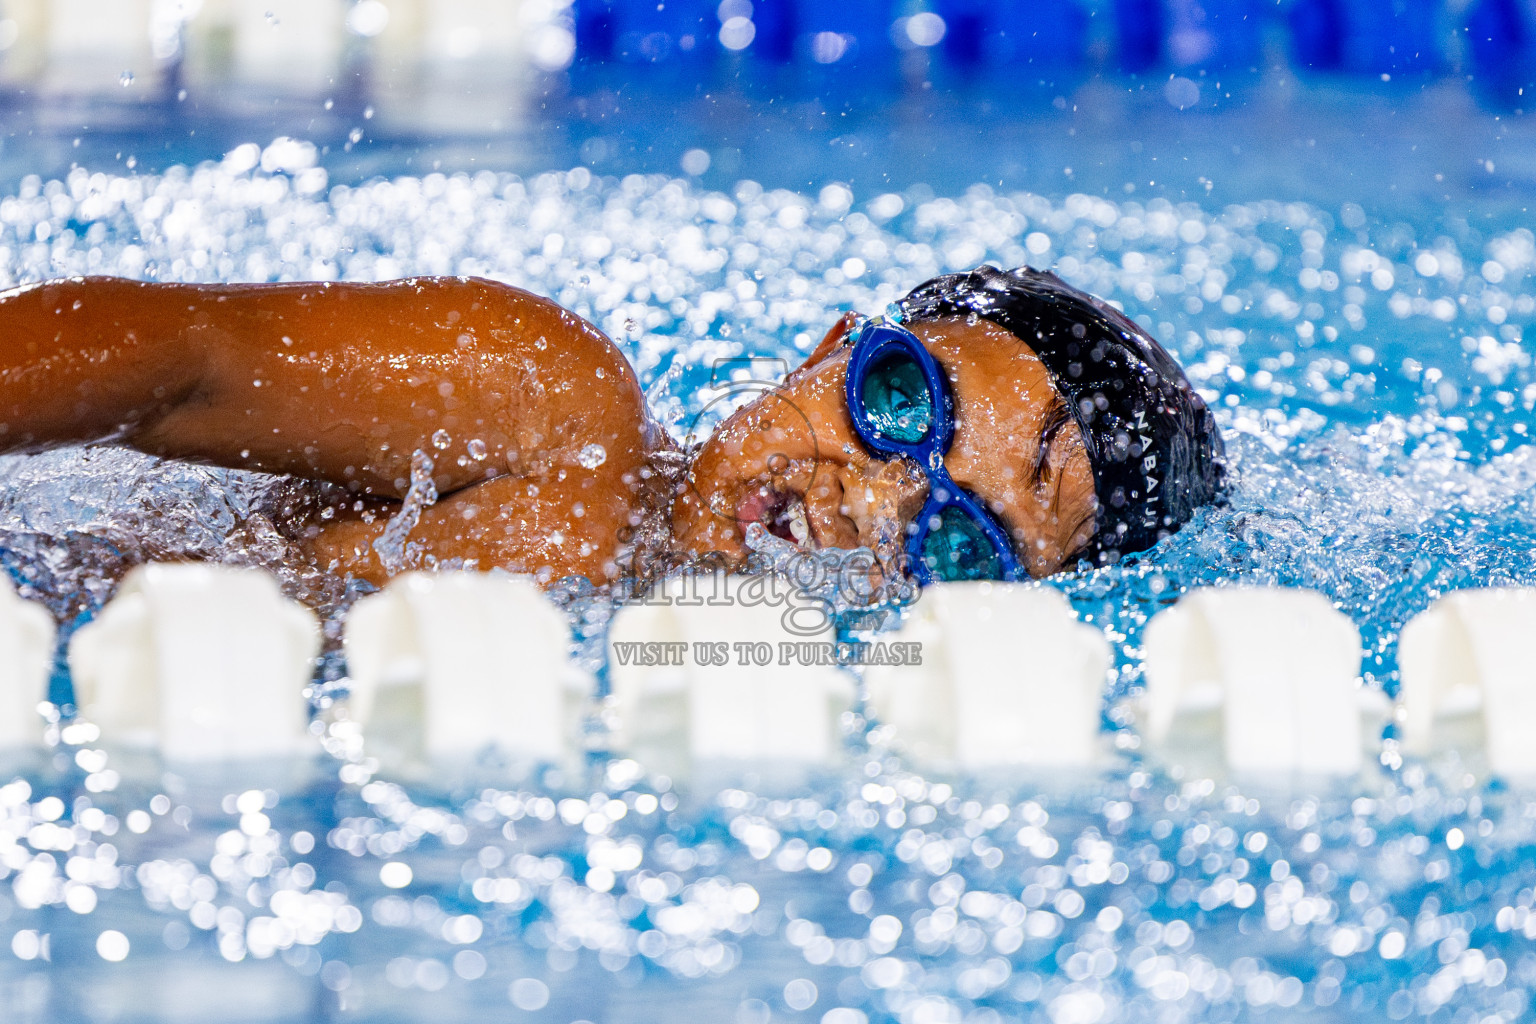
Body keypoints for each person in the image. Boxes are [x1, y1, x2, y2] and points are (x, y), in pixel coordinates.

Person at [0, 265, 1224, 589]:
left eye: (958, 540)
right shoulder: (560, 412)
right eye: (899, 404)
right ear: (827, 348)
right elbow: (170, 358)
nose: (870, 498)